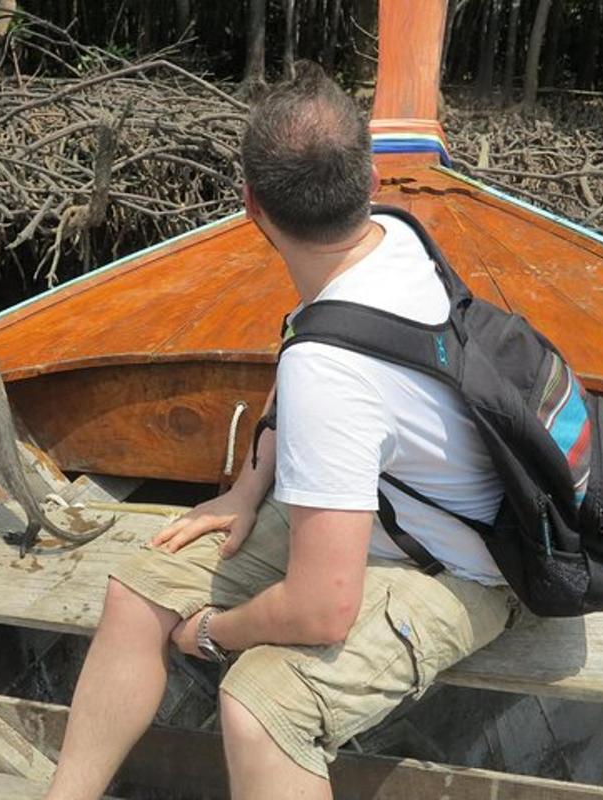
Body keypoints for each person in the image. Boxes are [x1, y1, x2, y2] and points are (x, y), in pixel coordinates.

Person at [44, 62, 519, 800]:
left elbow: (321, 609)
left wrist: (212, 632)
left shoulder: (328, 373)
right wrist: (247, 486)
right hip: (381, 520)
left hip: (465, 571)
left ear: (249, 206)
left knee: (261, 707)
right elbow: (310, 334)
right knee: (136, 594)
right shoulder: (394, 235)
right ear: (369, 183)